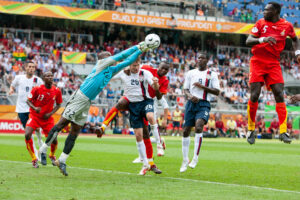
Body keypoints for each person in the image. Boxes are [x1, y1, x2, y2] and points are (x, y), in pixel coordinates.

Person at [39, 42, 151, 176]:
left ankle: (62, 160)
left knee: (75, 132)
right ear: (103, 59)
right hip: (79, 97)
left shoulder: (112, 70)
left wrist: (141, 51)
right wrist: (139, 46)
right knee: (62, 124)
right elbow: (122, 55)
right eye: (109, 57)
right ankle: (43, 150)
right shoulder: (101, 64)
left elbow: (128, 61)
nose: (113, 59)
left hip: (87, 102)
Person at [246, 2, 300, 145]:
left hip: (273, 62)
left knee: (279, 93)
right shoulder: (260, 23)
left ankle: (283, 132)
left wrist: (298, 52)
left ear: (275, 12)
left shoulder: (287, 26)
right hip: (257, 61)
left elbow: (295, 39)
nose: (263, 12)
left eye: (267, 10)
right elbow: (248, 40)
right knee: (254, 95)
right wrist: (263, 39)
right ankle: (251, 129)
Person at [100, 62, 170, 157]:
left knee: (147, 126)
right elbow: (134, 65)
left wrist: (156, 86)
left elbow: (159, 97)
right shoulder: (147, 69)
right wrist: (126, 68)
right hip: (135, 99)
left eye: (166, 70)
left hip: (149, 101)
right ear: (159, 67)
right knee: (140, 132)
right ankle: (103, 126)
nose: (163, 71)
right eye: (162, 68)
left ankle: (157, 146)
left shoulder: (164, 80)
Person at [113, 58, 162, 175]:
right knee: (139, 135)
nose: (136, 67)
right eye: (133, 65)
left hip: (145, 102)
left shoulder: (145, 73)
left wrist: (155, 85)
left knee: (150, 116)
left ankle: (159, 144)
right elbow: (110, 76)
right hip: (133, 107)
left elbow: (155, 86)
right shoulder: (123, 73)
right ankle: (146, 163)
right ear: (129, 65)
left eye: (137, 65)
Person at [180, 53, 220, 173]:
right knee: (186, 130)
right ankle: (185, 159)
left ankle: (195, 158)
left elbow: (217, 91)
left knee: (198, 126)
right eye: (199, 58)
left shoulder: (212, 74)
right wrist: (190, 96)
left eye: (202, 58)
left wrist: (202, 87)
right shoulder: (191, 73)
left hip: (204, 104)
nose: (200, 60)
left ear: (207, 60)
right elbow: (185, 89)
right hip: (191, 104)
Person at [25, 71, 62, 168]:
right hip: (35, 116)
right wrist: (35, 108)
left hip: (47, 119)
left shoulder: (57, 91)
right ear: (43, 78)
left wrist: (50, 113)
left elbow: (58, 105)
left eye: (51, 75)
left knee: (54, 139)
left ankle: (52, 155)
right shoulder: (37, 89)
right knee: (27, 134)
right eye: (47, 76)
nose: (50, 77)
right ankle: (34, 158)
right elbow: (28, 101)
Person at [9, 61, 44, 159]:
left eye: (33, 67)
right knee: (28, 132)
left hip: (33, 109)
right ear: (25, 67)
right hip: (21, 109)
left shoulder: (38, 80)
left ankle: (40, 142)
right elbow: (13, 85)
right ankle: (35, 154)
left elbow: (43, 92)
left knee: (36, 128)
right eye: (29, 66)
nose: (31, 68)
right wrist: (11, 89)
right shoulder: (19, 78)